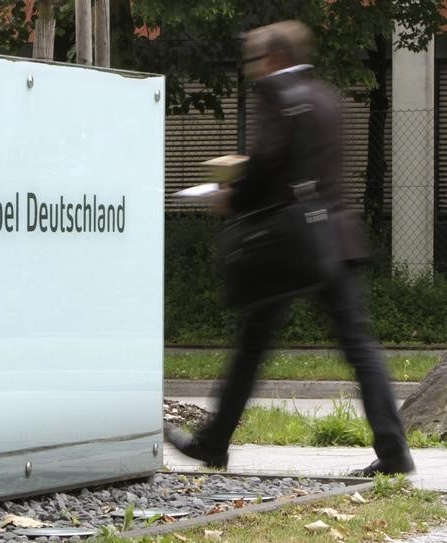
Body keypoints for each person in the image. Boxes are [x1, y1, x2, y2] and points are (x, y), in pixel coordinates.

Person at [165, 20, 415, 477]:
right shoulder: (325, 96)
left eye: (256, 59)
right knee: (359, 348)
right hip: (335, 238)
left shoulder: (276, 93)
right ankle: (395, 452)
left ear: (275, 58)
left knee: (252, 344)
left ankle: (214, 442)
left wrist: (230, 197)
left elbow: (268, 163)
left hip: (288, 242)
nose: (253, 69)